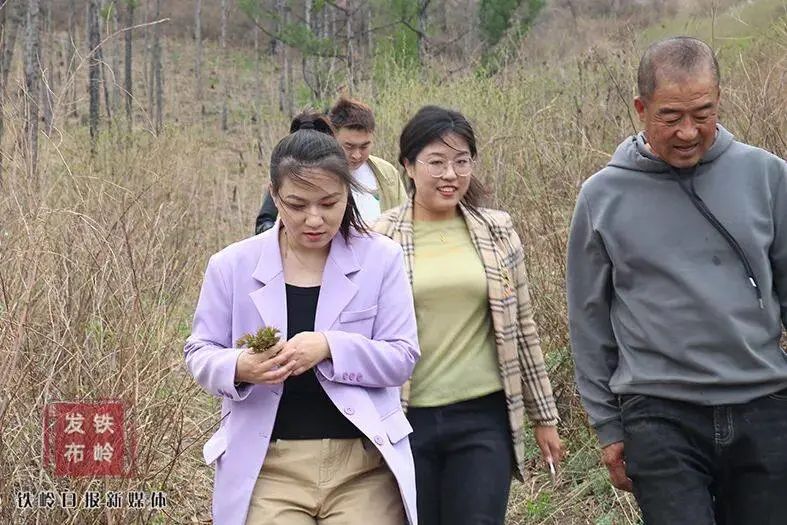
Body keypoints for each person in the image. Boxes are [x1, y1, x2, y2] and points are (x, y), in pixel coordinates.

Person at [567, 36, 787, 525]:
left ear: (718, 101)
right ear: (641, 108)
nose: (688, 132)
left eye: (702, 113)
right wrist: (608, 426)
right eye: (670, 117)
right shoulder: (602, 195)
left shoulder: (767, 177)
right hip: (659, 413)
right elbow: (588, 320)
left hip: (763, 405)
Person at [185, 111, 420, 525]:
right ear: (274, 196)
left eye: (329, 203)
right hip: (267, 465)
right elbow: (200, 352)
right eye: (297, 205)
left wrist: (330, 346)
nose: (315, 219)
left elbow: (402, 356)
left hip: (363, 466)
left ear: (348, 192)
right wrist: (241, 366)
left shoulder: (380, 258)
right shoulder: (232, 265)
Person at [374, 106, 563, 525]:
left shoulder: (497, 231)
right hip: (406, 419)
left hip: (483, 417)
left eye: (462, 162)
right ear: (408, 165)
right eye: (436, 162)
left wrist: (544, 418)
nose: (450, 175)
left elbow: (523, 327)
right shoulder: (378, 237)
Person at [255, 97, 406, 233]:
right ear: (331, 138)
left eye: (364, 146)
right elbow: (266, 221)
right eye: (349, 146)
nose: (357, 155)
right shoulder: (303, 172)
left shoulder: (387, 174)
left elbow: (405, 220)